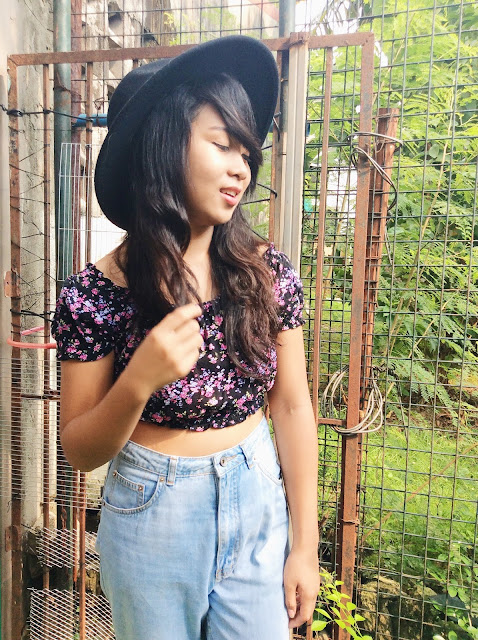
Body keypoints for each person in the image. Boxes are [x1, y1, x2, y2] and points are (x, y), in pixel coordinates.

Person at [51, 35, 319, 640]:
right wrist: (138, 381)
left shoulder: (266, 274)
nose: (240, 168)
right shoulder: (96, 294)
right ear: (164, 145)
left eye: (245, 152)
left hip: (256, 493)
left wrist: (305, 545)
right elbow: (80, 450)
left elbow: (292, 405)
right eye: (221, 144)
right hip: (152, 516)